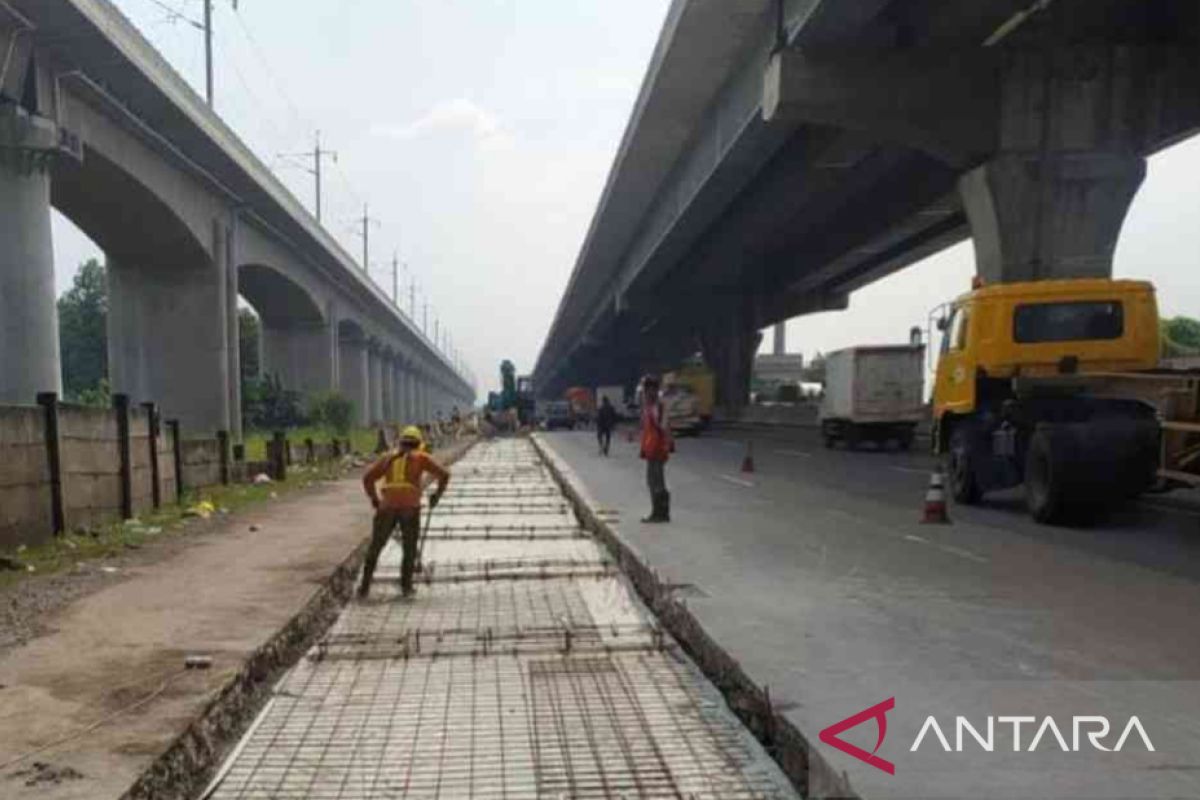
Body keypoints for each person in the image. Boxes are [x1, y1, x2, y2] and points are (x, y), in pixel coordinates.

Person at [359, 425, 450, 598]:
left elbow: (367, 478)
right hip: (409, 507)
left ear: (401, 443)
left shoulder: (387, 457)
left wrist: (374, 499)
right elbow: (444, 475)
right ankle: (406, 588)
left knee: (376, 547)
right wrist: (436, 496)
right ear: (418, 443)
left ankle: (364, 587)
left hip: (387, 507)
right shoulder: (421, 457)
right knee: (409, 548)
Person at [639, 375, 673, 523]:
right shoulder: (649, 407)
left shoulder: (657, 406)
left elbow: (663, 427)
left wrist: (665, 443)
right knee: (653, 481)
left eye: (647, 390)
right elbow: (647, 430)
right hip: (651, 448)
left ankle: (660, 513)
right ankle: (659, 512)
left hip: (657, 448)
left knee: (656, 481)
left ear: (653, 390)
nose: (646, 394)